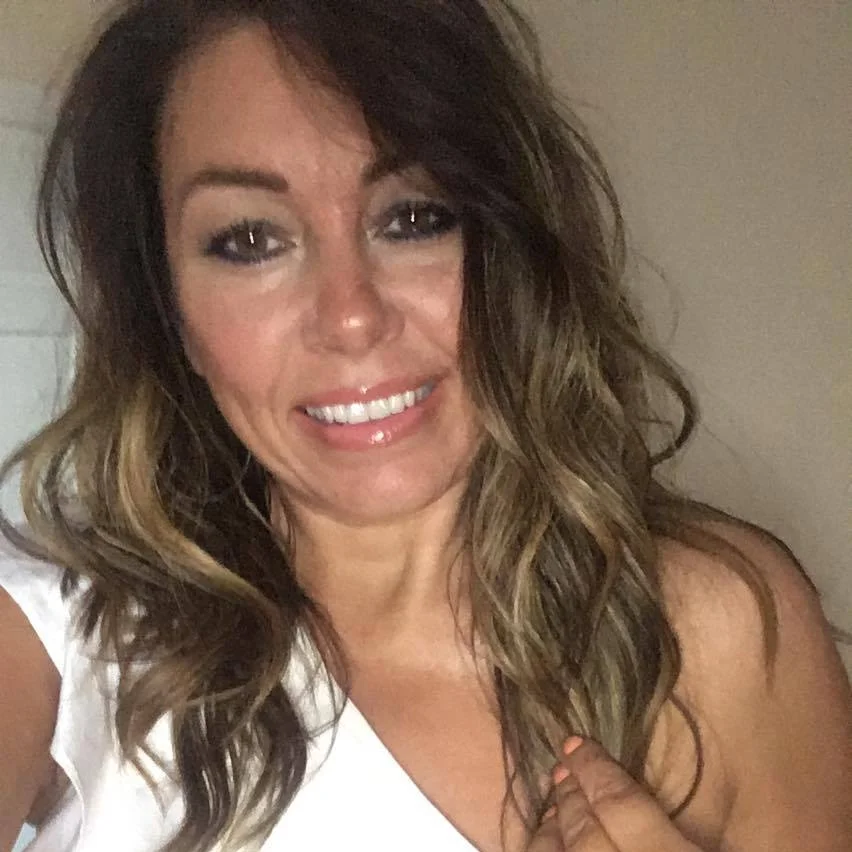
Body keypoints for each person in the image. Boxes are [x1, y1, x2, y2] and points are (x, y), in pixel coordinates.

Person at [0, 0, 849, 850]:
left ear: (507, 253)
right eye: (250, 240)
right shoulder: (62, 640)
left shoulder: (721, 631)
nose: (352, 317)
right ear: (171, 314)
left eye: (413, 218)